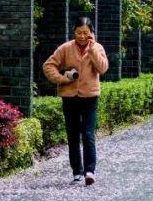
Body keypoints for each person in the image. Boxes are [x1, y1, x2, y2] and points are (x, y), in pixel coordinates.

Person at [43, 16, 109, 186]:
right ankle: (76, 172)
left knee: (88, 134)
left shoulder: (97, 48)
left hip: (90, 97)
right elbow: (48, 65)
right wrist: (62, 79)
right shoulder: (65, 48)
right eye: (79, 32)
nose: (82, 36)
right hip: (69, 97)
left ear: (91, 33)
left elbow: (103, 68)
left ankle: (89, 171)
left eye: (85, 33)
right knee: (73, 135)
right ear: (74, 32)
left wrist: (93, 50)